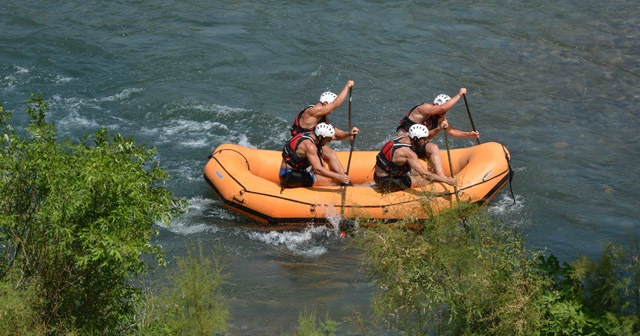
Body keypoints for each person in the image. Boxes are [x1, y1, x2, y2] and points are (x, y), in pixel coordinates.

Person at [396, 88, 479, 179]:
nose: (442, 113)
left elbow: (451, 131)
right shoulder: (423, 109)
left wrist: (469, 134)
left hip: (419, 144)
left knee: (433, 147)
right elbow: (443, 108)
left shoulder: (440, 116)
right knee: (413, 170)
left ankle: (441, 176)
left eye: (443, 112)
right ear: (435, 105)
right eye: (441, 110)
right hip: (405, 143)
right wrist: (459, 95)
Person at [375, 124, 456, 193]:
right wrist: (445, 180)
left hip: (377, 177)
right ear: (415, 139)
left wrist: (440, 127)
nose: (425, 142)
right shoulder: (408, 153)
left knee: (412, 172)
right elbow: (424, 174)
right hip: (386, 183)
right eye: (424, 139)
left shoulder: (401, 138)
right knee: (424, 181)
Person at [280, 123, 351, 188]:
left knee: (323, 164)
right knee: (325, 181)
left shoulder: (311, 134)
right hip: (289, 176)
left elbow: (335, 137)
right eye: (328, 139)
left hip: (297, 170)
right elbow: (318, 169)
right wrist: (339, 176)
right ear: (320, 137)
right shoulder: (309, 146)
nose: (329, 141)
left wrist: (349, 134)